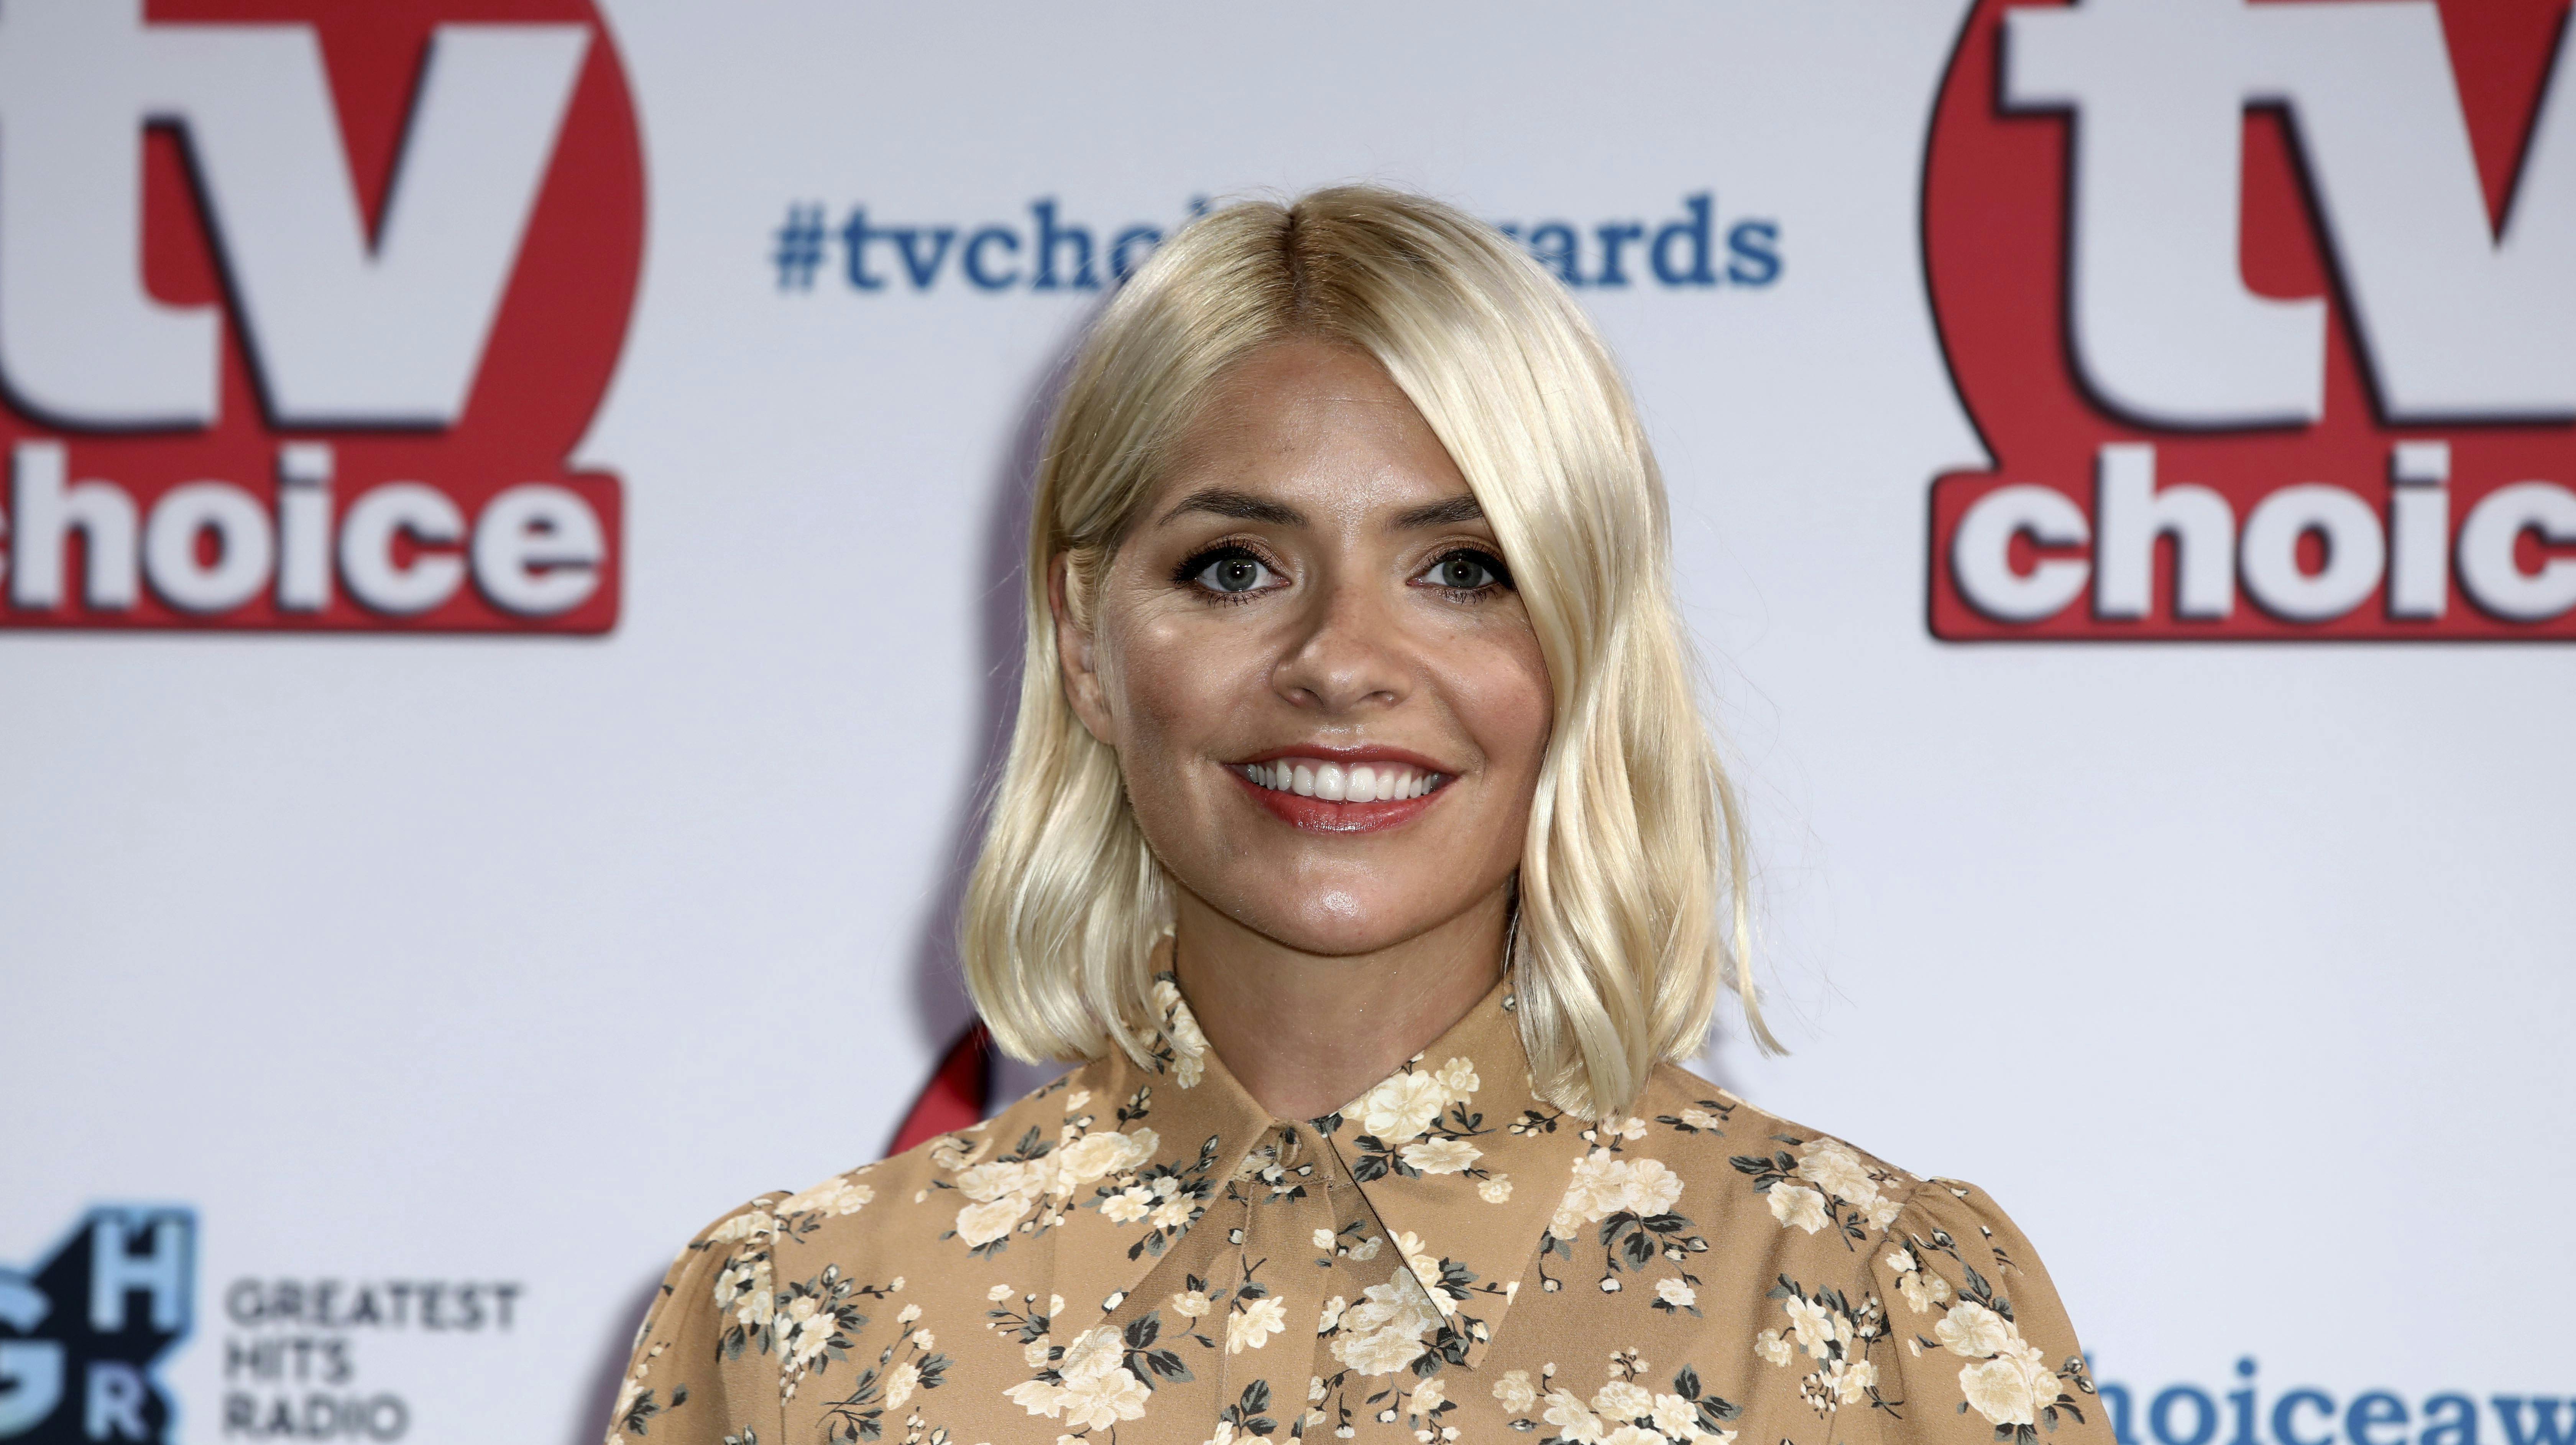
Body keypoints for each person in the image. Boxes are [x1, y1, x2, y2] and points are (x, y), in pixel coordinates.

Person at [605, 187, 2106, 1445]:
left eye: (1461, 569)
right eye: (1234, 566)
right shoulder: (795, 1324)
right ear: (1085, 636)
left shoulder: (1867, 1309)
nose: (1337, 661)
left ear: (1581, 639)